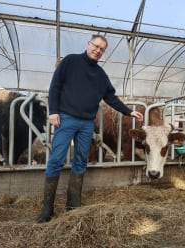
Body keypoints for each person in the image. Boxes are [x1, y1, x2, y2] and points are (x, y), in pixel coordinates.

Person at [36, 34, 144, 223]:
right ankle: (47, 209)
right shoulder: (70, 61)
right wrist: (53, 111)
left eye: (102, 49)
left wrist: (129, 112)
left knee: (80, 161)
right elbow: (56, 85)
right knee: (56, 160)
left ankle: (73, 204)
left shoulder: (100, 75)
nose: (98, 50)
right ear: (88, 44)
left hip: (87, 123)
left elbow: (111, 98)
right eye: (96, 46)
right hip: (66, 119)